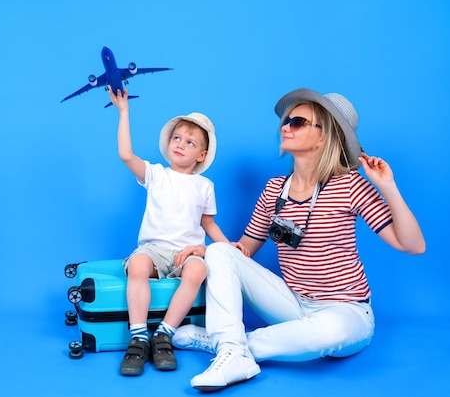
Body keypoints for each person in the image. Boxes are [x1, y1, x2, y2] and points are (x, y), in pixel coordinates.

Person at [171, 88, 426, 392]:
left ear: (323, 136)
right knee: (219, 253)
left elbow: (413, 245)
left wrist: (388, 186)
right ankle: (231, 347)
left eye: (298, 122)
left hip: (345, 310)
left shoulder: (349, 185)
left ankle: (226, 344)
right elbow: (242, 251)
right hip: (291, 303)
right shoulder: (274, 189)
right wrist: (207, 250)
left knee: (329, 333)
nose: (285, 126)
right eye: (286, 121)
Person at [108, 88, 232, 376]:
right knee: (137, 264)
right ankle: (139, 336)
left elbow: (208, 224)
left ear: (201, 154)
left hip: (185, 252)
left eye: (189, 142)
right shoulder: (156, 174)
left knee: (198, 271)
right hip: (153, 250)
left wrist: (228, 247)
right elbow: (125, 154)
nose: (180, 144)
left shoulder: (205, 186)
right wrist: (124, 111)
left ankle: (164, 334)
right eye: (177, 138)